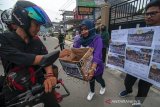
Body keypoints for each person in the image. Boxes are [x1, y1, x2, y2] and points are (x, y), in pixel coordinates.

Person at [0, 1, 70, 107]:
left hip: (40, 85)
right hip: (15, 89)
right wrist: (51, 57)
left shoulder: (36, 41)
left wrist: (50, 75)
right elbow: (22, 58)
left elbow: (47, 60)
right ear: (23, 21)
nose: (38, 29)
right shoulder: (5, 39)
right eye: (36, 25)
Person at [119, 0, 160, 106]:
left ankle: (138, 102)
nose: (149, 16)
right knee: (127, 81)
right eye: (147, 14)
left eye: (153, 13)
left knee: (143, 88)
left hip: (151, 68)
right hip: (135, 64)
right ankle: (128, 90)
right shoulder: (141, 30)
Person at [73, 19, 106, 101]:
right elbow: (75, 51)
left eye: (86, 29)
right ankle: (92, 91)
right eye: (82, 29)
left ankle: (103, 86)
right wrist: (73, 47)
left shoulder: (97, 39)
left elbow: (98, 54)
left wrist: (92, 68)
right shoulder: (80, 40)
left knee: (98, 79)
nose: (83, 31)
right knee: (90, 79)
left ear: (91, 28)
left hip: (96, 66)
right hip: (86, 66)